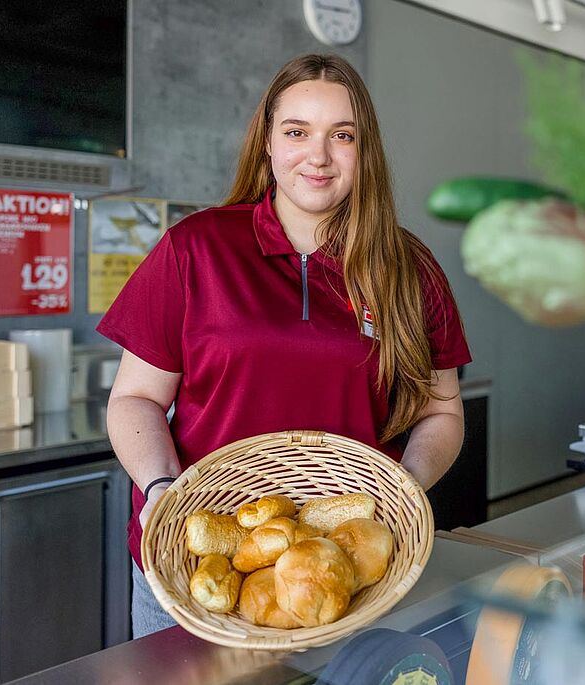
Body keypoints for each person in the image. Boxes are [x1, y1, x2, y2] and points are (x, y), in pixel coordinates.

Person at [97, 53, 472, 637]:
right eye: (296, 131)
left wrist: (402, 494)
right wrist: (161, 488)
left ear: (363, 151)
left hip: (348, 570)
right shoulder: (195, 248)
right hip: (199, 570)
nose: (317, 156)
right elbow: (136, 400)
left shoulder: (407, 267)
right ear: (268, 143)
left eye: (341, 136)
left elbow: (442, 411)